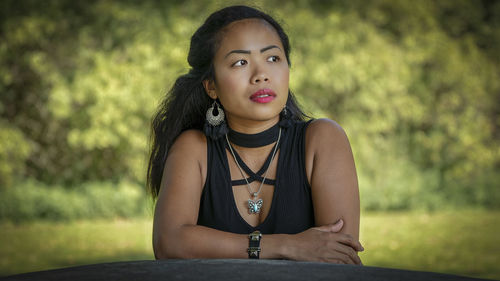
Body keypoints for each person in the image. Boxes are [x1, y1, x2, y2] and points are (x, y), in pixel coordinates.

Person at [147, 5, 363, 264]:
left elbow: (340, 256)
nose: (261, 75)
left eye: (273, 59)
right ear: (212, 86)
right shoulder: (194, 148)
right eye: (240, 62)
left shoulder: (323, 140)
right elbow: (169, 242)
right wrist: (285, 245)